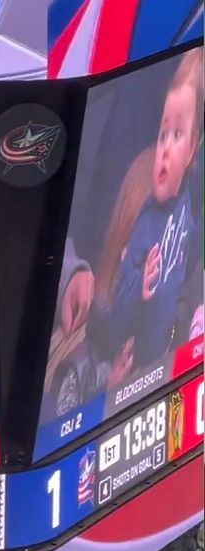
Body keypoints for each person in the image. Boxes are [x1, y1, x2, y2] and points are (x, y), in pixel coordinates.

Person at [99, 49, 203, 372]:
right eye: (162, 135)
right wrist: (138, 286)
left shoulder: (187, 205)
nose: (166, 148)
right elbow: (111, 324)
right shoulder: (144, 224)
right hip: (138, 372)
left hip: (172, 361)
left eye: (177, 135)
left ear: (192, 148)